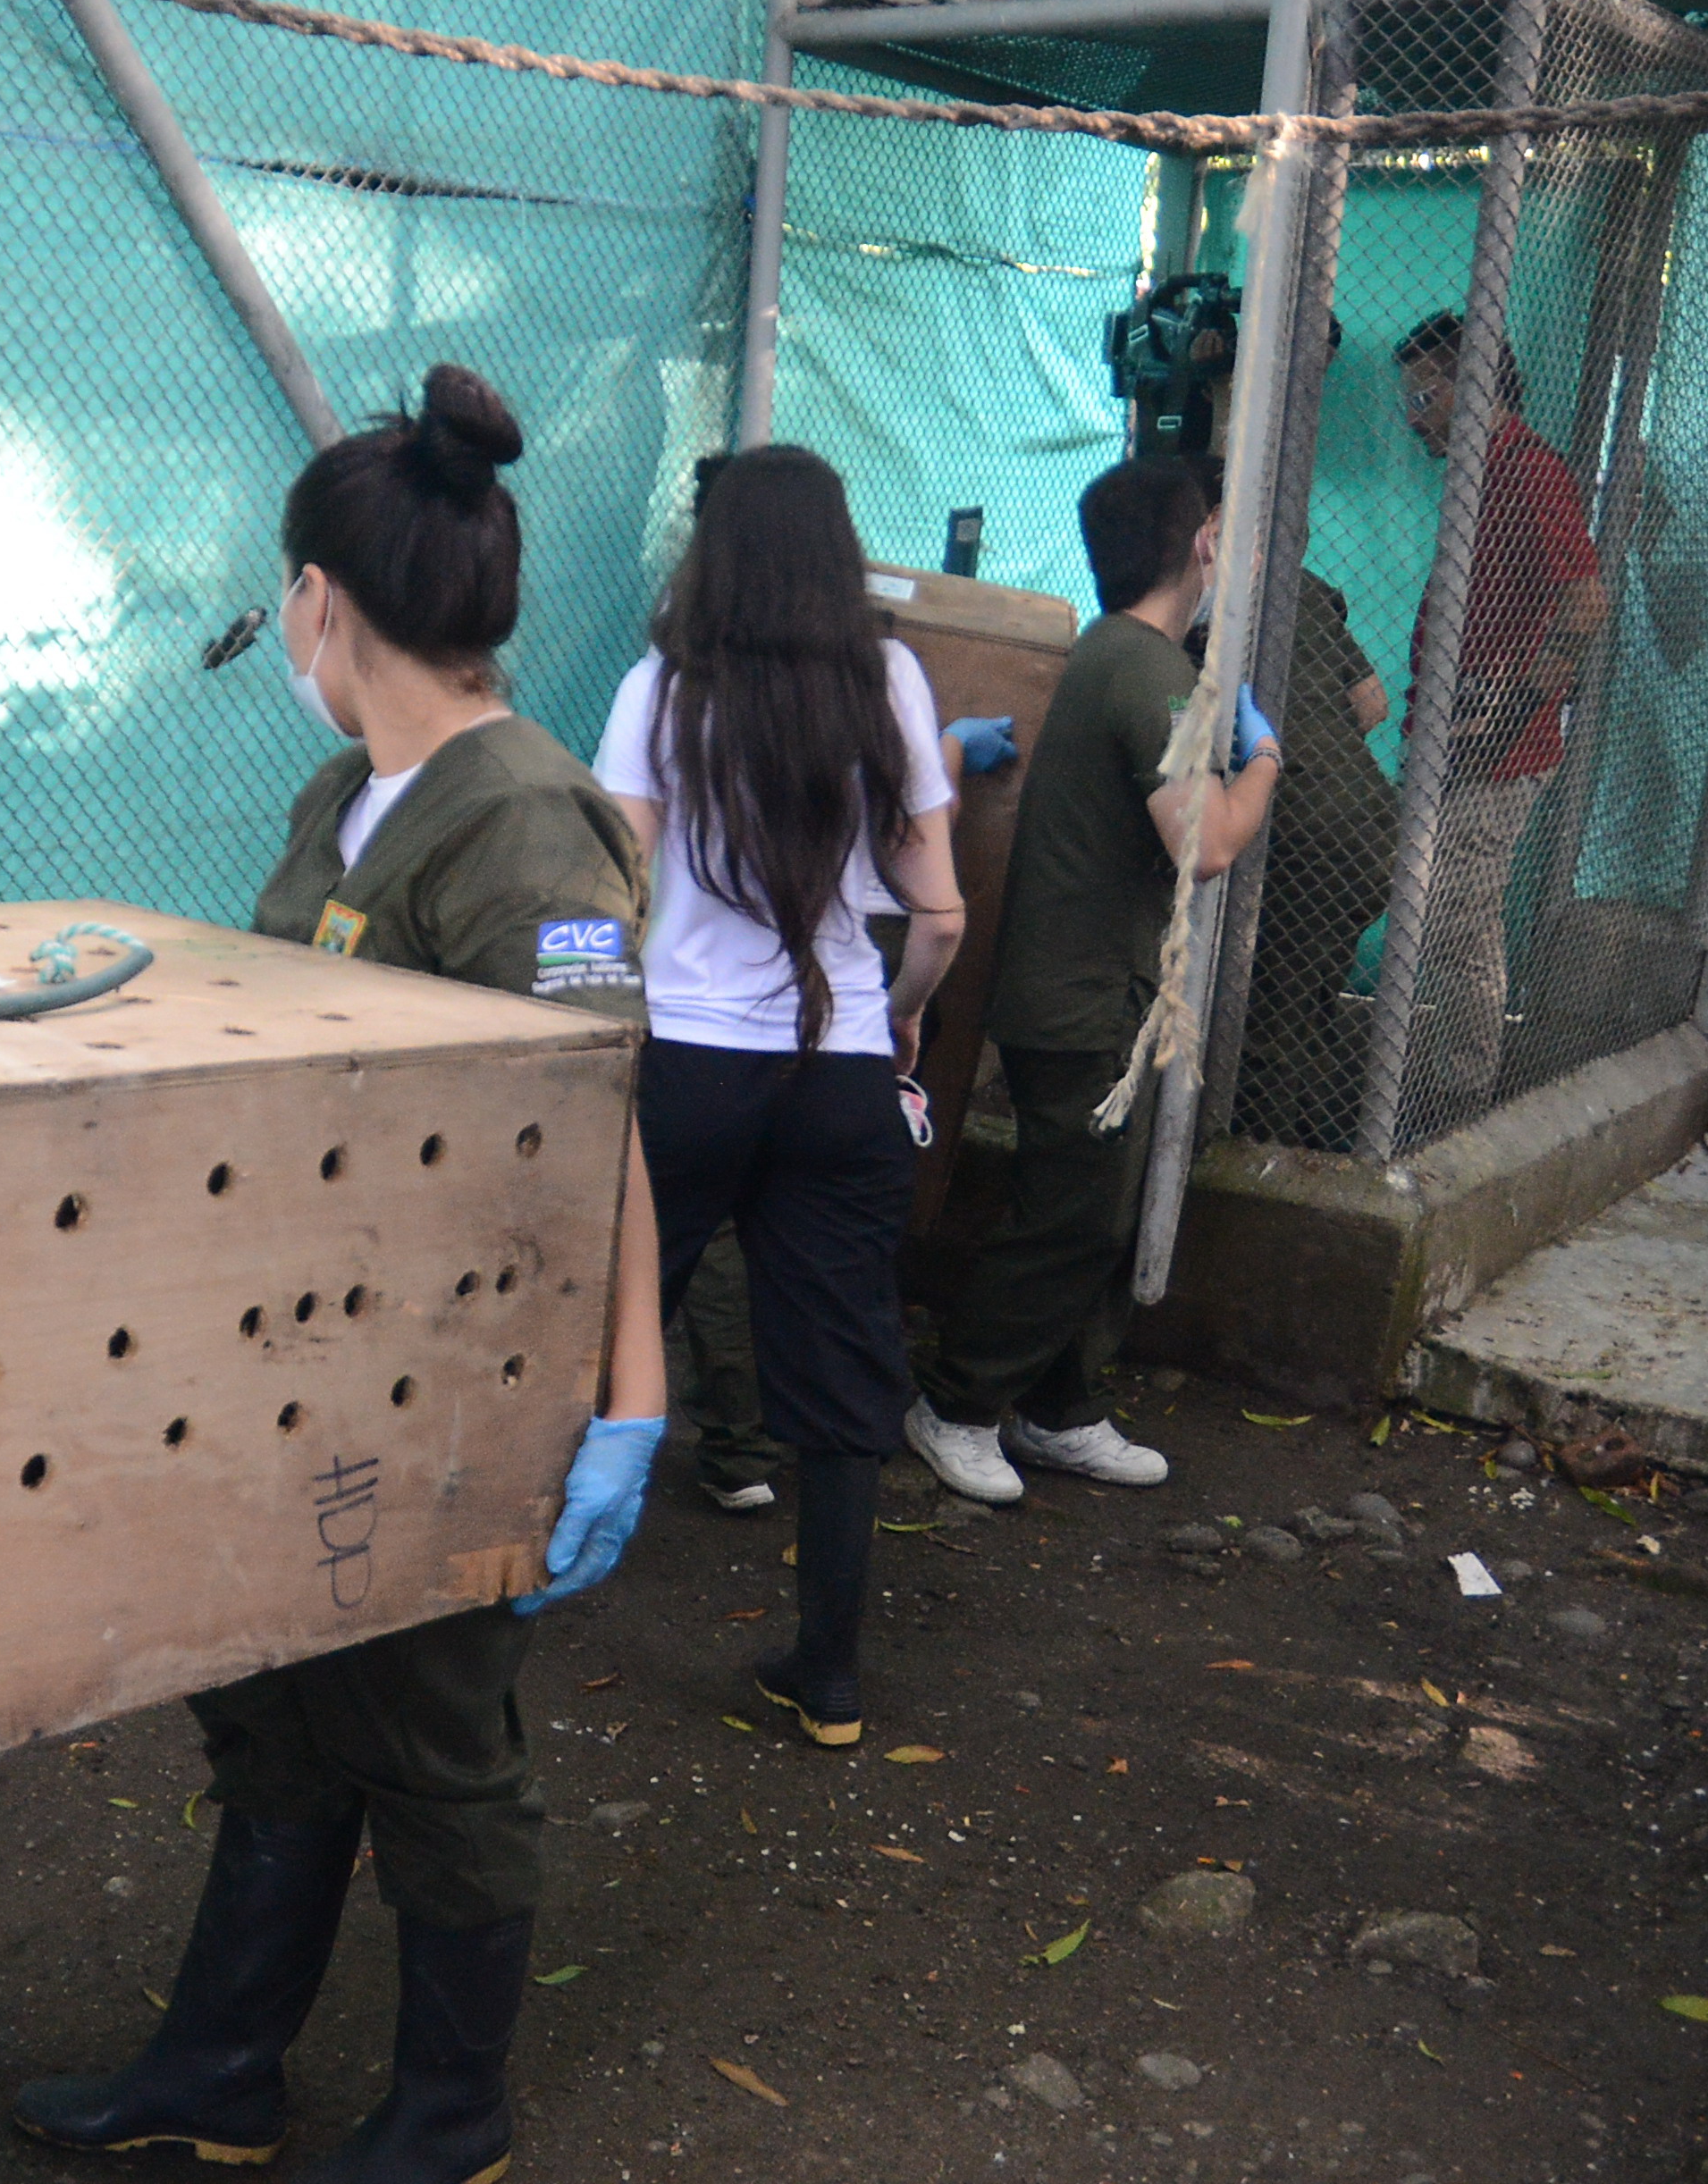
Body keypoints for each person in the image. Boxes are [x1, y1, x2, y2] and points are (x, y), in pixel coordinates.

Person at [14, 365, 665, 2184]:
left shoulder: (523, 820)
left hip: (456, 1372)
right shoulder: (353, 793)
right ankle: (220, 2065)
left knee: (432, 1726)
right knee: (279, 1702)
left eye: (284, 593)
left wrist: (633, 1398)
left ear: (318, 597)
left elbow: (604, 1116)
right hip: (301, 1345)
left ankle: (454, 2107)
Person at [594, 446, 966, 1745]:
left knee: (616, 1309)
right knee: (844, 1360)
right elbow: (939, 916)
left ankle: (519, 1592)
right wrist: (901, 1012)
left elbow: (601, 897)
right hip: (840, 1068)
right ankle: (832, 1679)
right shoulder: (894, 683)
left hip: (685, 1066)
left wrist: (577, 1025)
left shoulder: (659, 691)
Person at [906, 456, 1280, 1506]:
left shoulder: (1127, 657)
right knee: (1068, 1215)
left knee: (1097, 1208)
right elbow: (1203, 843)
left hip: (1099, 991)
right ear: (1204, 540)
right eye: (1228, 528)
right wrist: (1264, 764)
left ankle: (1058, 1406)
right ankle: (958, 1403)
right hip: (1080, 1000)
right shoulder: (1142, 669)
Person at [1390, 311, 1603, 1137]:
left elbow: (1584, 599)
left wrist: (1514, 711)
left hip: (1496, 738)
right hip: (1459, 720)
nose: (1412, 416)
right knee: (1464, 922)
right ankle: (1457, 1086)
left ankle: (1445, 1087)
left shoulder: (1526, 469)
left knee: (1445, 913)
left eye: (1421, 395)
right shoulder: (1481, 472)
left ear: (1464, 388)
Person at [1176, 450, 1395, 1155]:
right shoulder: (1302, 587)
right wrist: (1315, 738)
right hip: (1369, 821)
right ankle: (1303, 1141)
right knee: (1308, 1000)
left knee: (1271, 1011)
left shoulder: (1200, 605)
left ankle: (1259, 1162)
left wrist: (1277, 759)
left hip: (1306, 832)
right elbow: (1372, 702)